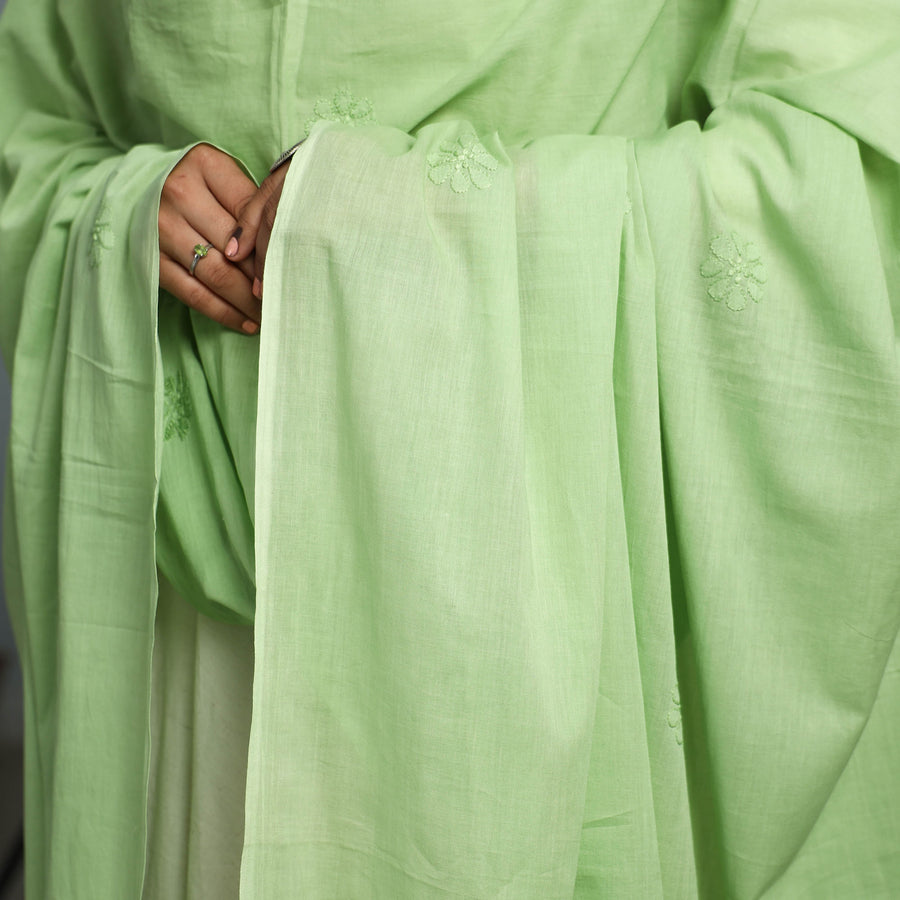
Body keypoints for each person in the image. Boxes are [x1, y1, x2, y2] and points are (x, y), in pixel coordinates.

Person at [1, 0, 899, 896]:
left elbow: (849, 158)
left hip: (537, 593)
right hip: (191, 619)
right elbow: (28, 130)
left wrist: (412, 211)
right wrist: (120, 207)